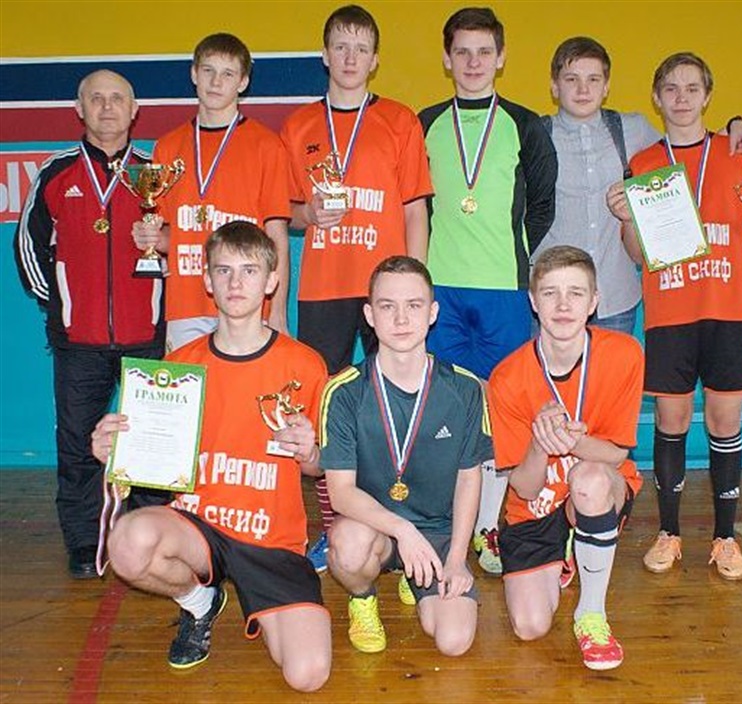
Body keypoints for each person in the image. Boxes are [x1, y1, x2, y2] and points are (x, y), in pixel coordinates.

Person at [90, 221, 331, 691]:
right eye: (224, 271)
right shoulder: (179, 366)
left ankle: (263, 604)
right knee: (129, 544)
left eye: (249, 271)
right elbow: (148, 467)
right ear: (206, 280)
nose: (236, 282)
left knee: (308, 675)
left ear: (272, 281)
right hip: (198, 528)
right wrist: (114, 451)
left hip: (271, 540)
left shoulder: (305, 365)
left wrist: (311, 451)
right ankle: (200, 602)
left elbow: (321, 466)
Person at [607, 53, 742, 581]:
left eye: (691, 88)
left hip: (730, 310)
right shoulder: (643, 163)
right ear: (656, 98)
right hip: (670, 312)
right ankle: (669, 532)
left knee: (725, 423)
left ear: (707, 96)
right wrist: (626, 217)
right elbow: (636, 252)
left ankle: (725, 538)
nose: (681, 98)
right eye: (671, 89)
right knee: (671, 421)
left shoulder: (740, 153)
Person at [281, 5, 433, 571]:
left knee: (394, 406)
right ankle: (333, 527)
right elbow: (286, 213)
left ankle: (406, 523)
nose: (350, 58)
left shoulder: (398, 120)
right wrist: (309, 213)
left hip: (385, 292)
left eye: (360, 48)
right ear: (325, 55)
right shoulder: (299, 126)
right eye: (340, 47)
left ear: (374, 59)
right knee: (326, 413)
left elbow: (416, 210)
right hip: (324, 287)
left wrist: (414, 290)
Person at [418, 7, 558, 575]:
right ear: (446, 58)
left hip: (504, 290)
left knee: (502, 412)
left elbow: (543, 205)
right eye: (463, 52)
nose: (473, 62)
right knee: (444, 412)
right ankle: (439, 527)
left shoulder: (525, 125)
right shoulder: (425, 122)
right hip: (441, 293)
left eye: (484, 52)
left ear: (500, 58)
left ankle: (490, 530)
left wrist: (512, 253)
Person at [13, 69, 165, 580]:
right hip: (79, 341)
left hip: (147, 335)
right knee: (78, 443)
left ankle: (152, 531)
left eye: (116, 98)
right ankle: (83, 542)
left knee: (151, 441)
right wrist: (62, 308)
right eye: (95, 99)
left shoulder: (154, 174)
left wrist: (163, 310)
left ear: (134, 110)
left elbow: (179, 247)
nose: (106, 107)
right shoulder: (56, 173)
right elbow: (28, 245)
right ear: (79, 109)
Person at [320, 256, 492, 656]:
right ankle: (363, 598)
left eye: (414, 305)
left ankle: (415, 576)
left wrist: (456, 558)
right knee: (347, 544)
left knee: (453, 641)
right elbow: (341, 494)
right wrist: (403, 531)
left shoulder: (465, 389)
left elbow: (470, 477)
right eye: (387, 306)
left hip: (439, 532)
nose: (401, 319)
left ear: (432, 313)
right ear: (369, 315)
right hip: (374, 528)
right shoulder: (343, 392)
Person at [534, 36, 742, 335]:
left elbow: (688, 145)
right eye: (571, 79)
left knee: (616, 369)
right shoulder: (532, 136)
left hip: (615, 298)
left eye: (593, 79)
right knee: (544, 369)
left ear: (606, 87)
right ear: (554, 86)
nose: (583, 89)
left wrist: (737, 124)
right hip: (552, 296)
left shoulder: (634, 129)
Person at [487, 245, 644, 671]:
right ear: (533, 302)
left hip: (596, 486)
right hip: (535, 506)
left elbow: (616, 454)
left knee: (590, 480)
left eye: (576, 293)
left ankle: (591, 614)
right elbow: (523, 488)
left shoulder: (625, 354)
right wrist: (541, 443)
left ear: (594, 302)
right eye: (550, 293)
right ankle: (569, 552)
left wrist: (571, 441)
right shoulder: (506, 378)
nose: (563, 305)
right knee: (530, 626)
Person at [135, 33, 292, 352]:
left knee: (244, 384)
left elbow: (276, 236)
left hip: (247, 300)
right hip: (186, 303)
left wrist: (277, 312)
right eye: (208, 70)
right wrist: (150, 238)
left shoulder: (267, 146)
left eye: (228, 74)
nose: (216, 82)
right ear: (194, 73)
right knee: (188, 384)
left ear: (243, 82)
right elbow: (168, 234)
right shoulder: (168, 146)